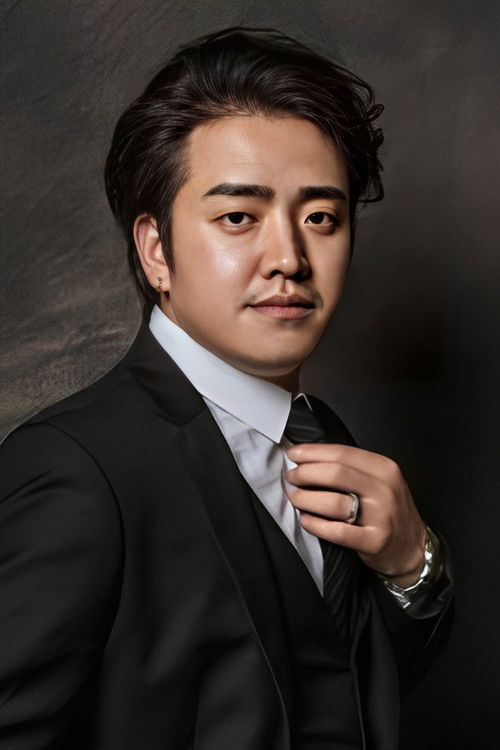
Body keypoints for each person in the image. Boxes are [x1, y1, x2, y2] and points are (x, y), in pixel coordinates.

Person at [0, 27, 452, 750]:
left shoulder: (324, 436)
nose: (289, 257)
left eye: (321, 218)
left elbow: (351, 698)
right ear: (156, 250)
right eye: (239, 217)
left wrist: (412, 566)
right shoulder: (74, 471)